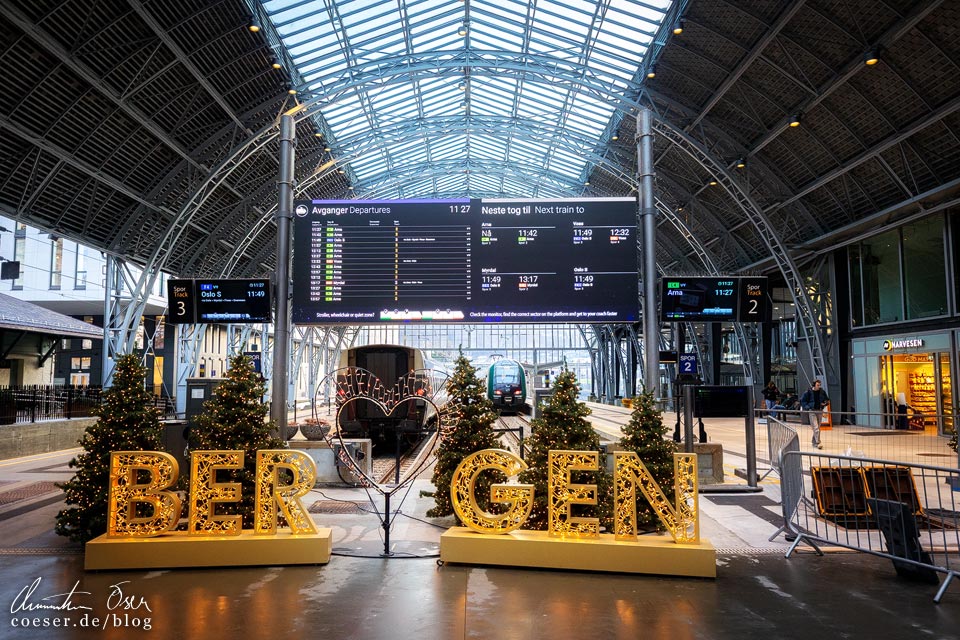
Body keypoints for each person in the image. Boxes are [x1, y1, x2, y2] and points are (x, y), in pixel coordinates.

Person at [800, 380, 829, 449]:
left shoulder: (822, 392)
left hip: (819, 410)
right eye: (817, 385)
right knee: (816, 428)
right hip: (812, 411)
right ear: (814, 385)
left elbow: (827, 400)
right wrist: (808, 407)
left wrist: (824, 404)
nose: (819, 386)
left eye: (819, 385)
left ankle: (814, 442)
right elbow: (802, 401)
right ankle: (818, 442)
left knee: (818, 428)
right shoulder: (808, 392)